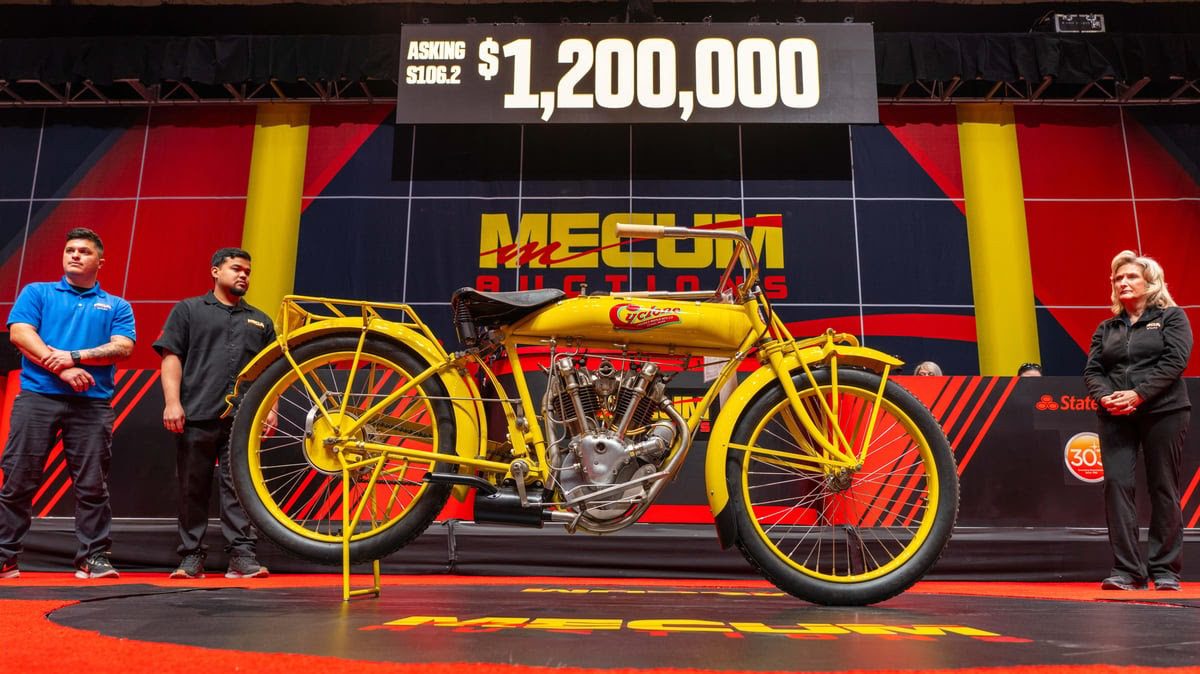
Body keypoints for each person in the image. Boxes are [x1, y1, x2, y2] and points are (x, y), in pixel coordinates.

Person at [0, 228, 136, 580]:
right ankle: (5, 556)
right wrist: (61, 368)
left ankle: (93, 557)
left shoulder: (117, 305)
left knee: (92, 485)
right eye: (70, 250)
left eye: (84, 251)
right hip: (37, 398)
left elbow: (123, 346)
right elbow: (20, 333)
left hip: (92, 405)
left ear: (99, 262)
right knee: (18, 479)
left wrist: (75, 356)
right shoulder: (37, 293)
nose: (75, 255)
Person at [154, 248, 276, 579]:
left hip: (243, 420)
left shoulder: (261, 320)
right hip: (195, 413)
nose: (243, 276)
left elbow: (271, 372)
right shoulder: (189, 310)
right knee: (192, 488)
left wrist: (271, 408)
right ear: (215, 271)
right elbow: (171, 357)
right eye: (236, 269)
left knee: (239, 487)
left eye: (248, 271)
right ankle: (191, 556)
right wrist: (172, 402)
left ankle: (241, 556)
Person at [1084, 250, 1192, 592]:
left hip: (1164, 410)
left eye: (1131, 276)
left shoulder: (1172, 317)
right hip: (1115, 413)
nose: (1123, 282)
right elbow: (1093, 370)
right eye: (1118, 278)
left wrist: (1139, 394)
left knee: (1163, 486)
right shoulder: (1107, 327)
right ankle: (1127, 571)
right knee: (1116, 486)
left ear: (1150, 282)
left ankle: (1165, 570)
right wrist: (1105, 397)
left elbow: (1176, 361)